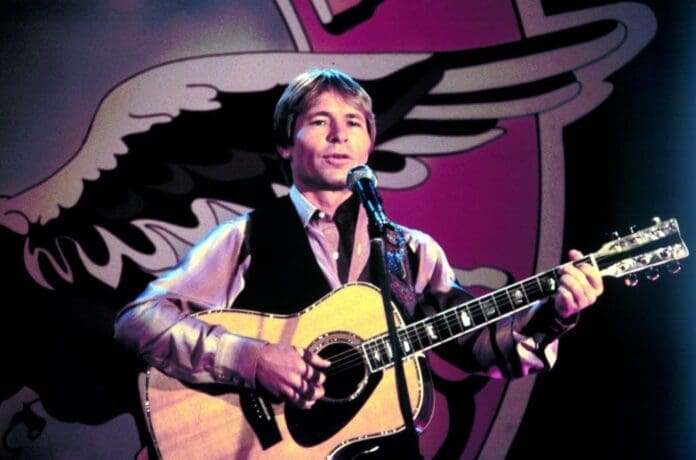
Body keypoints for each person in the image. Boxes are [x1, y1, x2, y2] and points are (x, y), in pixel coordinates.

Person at [114, 68, 603, 457]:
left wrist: (554, 316)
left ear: (369, 144)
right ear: (286, 144)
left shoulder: (410, 251)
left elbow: (481, 348)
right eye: (319, 121)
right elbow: (140, 322)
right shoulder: (245, 237)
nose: (338, 135)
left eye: (353, 123)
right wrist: (251, 359)